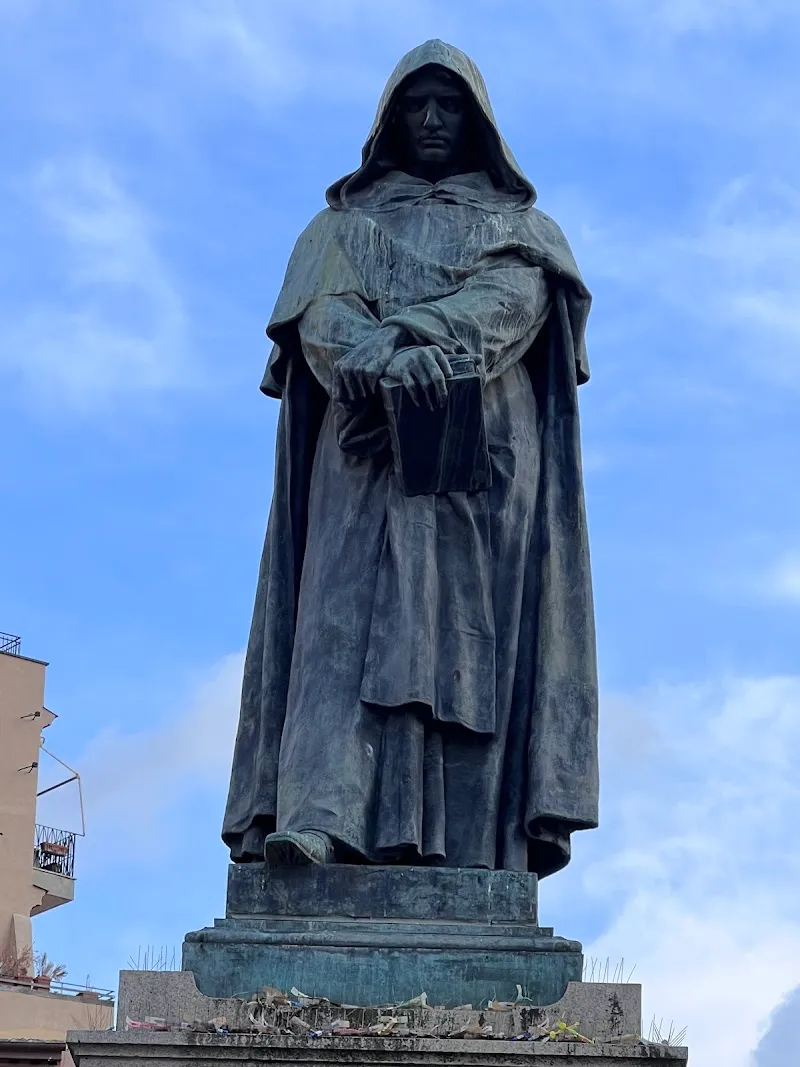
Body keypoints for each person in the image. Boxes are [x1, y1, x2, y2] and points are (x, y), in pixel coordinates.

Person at [222, 39, 598, 878]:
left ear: (478, 121)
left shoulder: (524, 232)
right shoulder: (339, 229)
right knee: (338, 624)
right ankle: (320, 817)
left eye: (449, 104)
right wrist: (379, 356)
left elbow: (512, 302)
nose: (432, 119)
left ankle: (469, 848)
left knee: (467, 646)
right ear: (389, 120)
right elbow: (320, 321)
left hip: (482, 466)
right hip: (362, 455)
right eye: (416, 104)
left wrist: (407, 335)